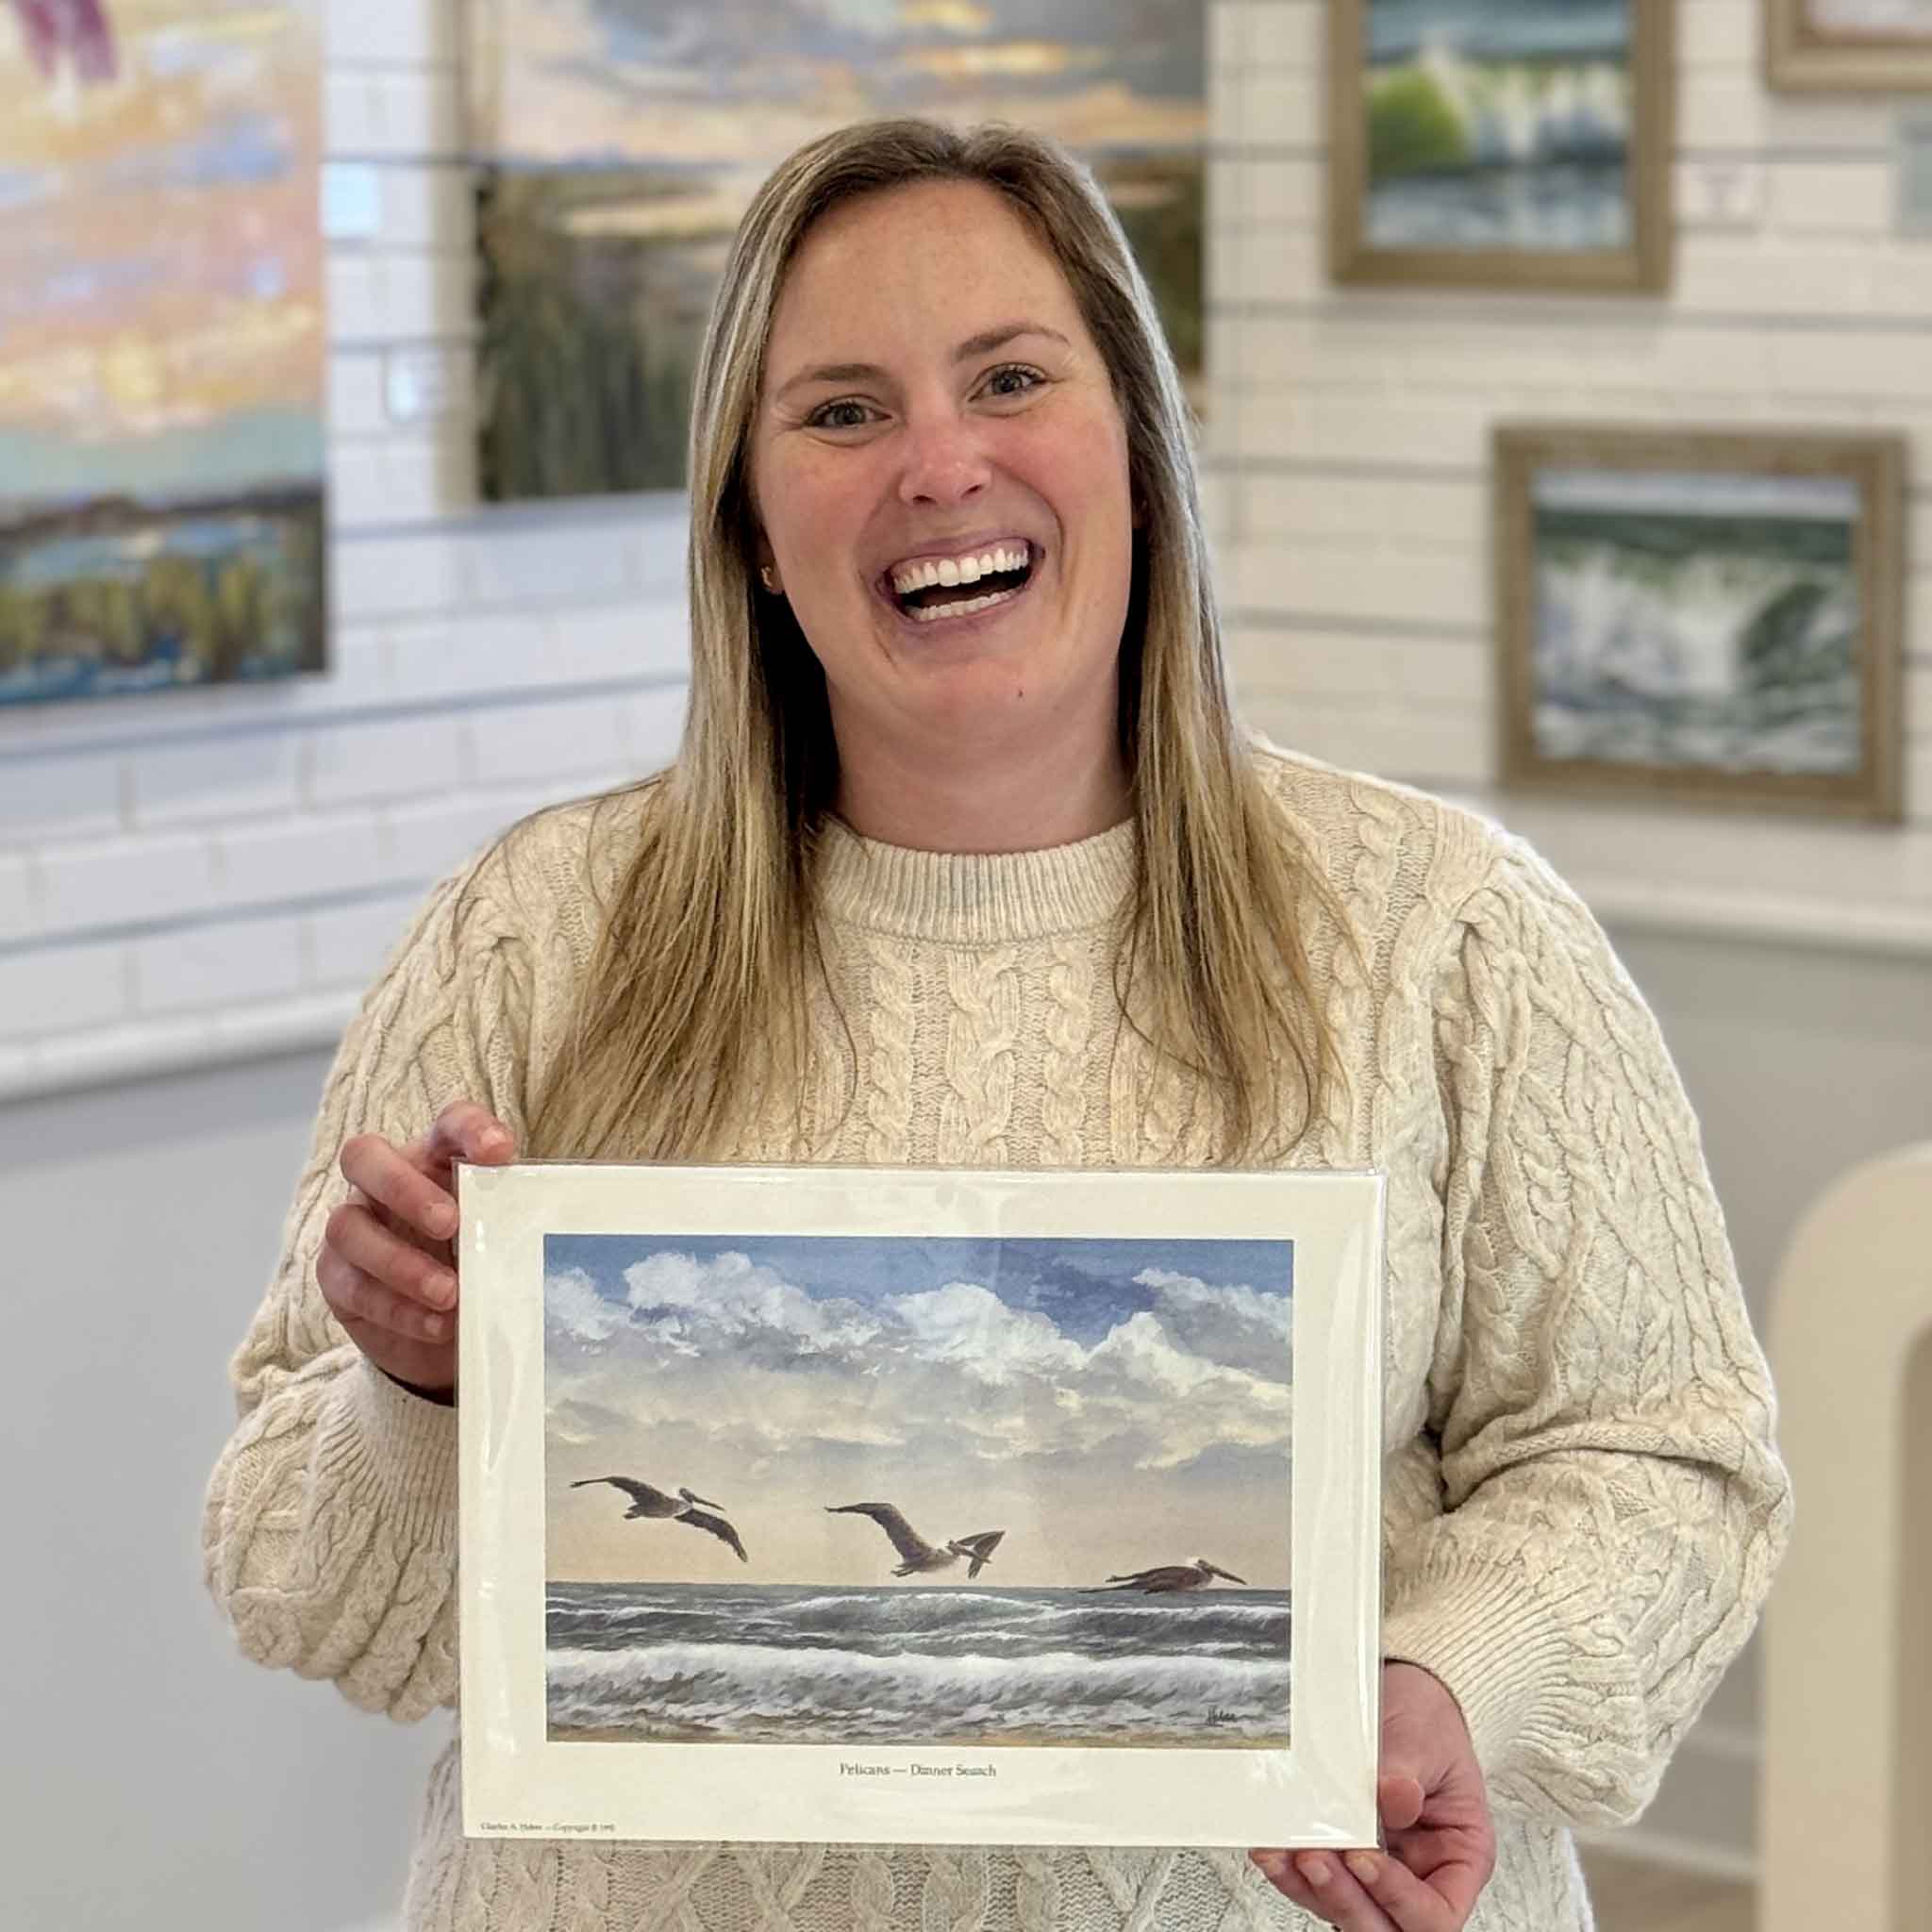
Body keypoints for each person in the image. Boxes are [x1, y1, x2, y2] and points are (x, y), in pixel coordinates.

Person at [203, 117, 1791, 1932]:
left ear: (1137, 450)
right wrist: (416, 1388)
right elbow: (306, 1591)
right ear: (755, 528)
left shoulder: (1450, 937)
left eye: (1011, 378)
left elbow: (1665, 1463)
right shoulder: (537, 938)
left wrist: (1448, 1681)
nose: (939, 466)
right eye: (842, 411)